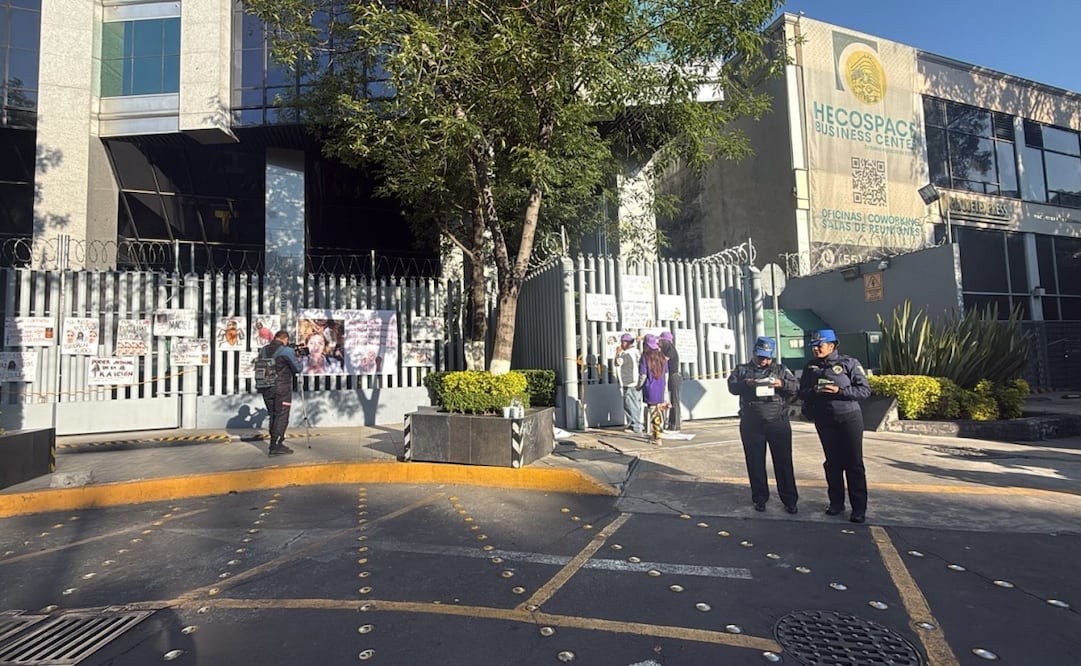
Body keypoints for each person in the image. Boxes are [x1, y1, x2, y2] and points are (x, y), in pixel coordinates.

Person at [798, 329, 872, 523]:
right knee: (832, 463)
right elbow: (802, 392)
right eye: (813, 346)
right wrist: (815, 390)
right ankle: (836, 503)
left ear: (832, 346)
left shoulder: (849, 363)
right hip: (824, 419)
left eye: (819, 345)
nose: (816, 349)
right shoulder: (811, 367)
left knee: (854, 463)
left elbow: (864, 390)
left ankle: (859, 508)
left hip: (849, 418)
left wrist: (839, 390)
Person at [727, 336, 799, 514]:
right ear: (753, 353)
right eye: (760, 357)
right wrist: (747, 383)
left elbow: (796, 387)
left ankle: (790, 500)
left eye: (767, 358)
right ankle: (760, 498)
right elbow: (732, 387)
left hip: (778, 421)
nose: (763, 361)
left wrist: (781, 383)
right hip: (752, 423)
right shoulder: (742, 369)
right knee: (755, 462)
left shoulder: (780, 369)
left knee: (783, 462)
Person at [258, 330, 303, 456]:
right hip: (282, 389)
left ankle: (275, 444)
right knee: (282, 416)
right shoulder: (286, 351)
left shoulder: (263, 350)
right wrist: (300, 357)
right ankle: (275, 446)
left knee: (273, 416)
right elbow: (298, 368)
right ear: (285, 339)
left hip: (266, 387)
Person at [639, 334, 669, 446]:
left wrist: (639, 386)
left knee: (653, 412)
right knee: (658, 410)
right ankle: (655, 433)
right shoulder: (662, 356)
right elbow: (666, 373)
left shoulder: (645, 357)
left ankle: (657, 437)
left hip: (650, 387)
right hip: (660, 387)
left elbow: (643, 375)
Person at [614, 333, 643, 433]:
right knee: (636, 404)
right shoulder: (637, 352)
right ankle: (635, 424)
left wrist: (617, 353)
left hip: (630, 382)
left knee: (630, 404)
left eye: (622, 342)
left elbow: (617, 362)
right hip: (637, 381)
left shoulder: (626, 354)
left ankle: (635, 426)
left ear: (625, 342)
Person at [658, 331, 682, 432]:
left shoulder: (670, 349)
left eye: (661, 341)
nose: (659, 343)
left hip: (674, 376)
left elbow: (664, 359)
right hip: (671, 376)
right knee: (672, 400)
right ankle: (672, 423)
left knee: (675, 400)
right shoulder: (667, 348)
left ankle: (675, 424)